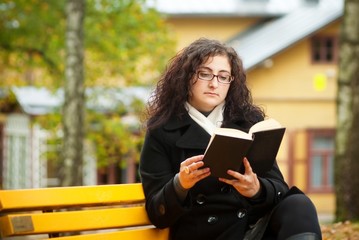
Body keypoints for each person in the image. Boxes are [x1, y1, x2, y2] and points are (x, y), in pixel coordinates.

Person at [139, 38, 322, 240]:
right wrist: (180, 184)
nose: (214, 83)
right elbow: (157, 212)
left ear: (231, 82)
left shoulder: (248, 121)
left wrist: (257, 189)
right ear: (185, 77)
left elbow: (279, 187)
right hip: (203, 234)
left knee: (298, 204)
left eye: (223, 76)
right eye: (205, 74)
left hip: (249, 231)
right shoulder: (162, 129)